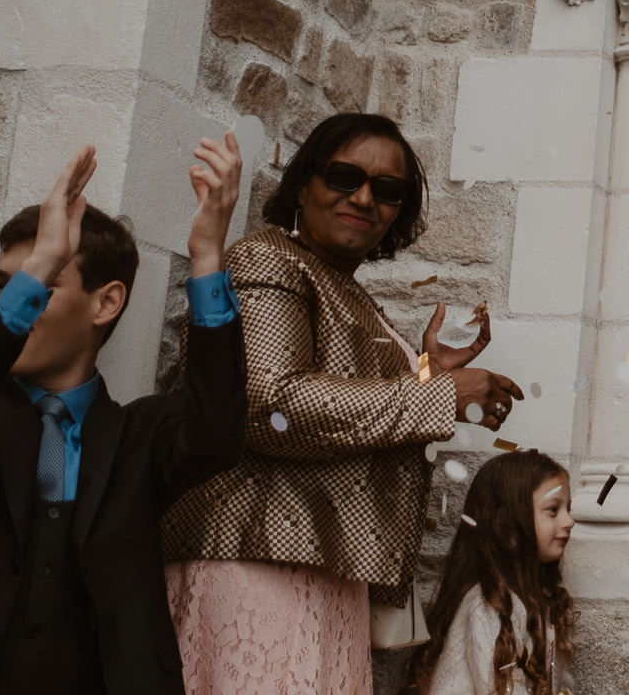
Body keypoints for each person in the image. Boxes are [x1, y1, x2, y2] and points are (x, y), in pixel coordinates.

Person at [162, 112, 526, 695]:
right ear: (304, 184)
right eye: (343, 176)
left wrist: (429, 368)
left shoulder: (343, 286)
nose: (363, 197)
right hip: (255, 558)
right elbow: (270, 405)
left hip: (320, 567)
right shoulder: (267, 260)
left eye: (387, 190)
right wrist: (435, 394)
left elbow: (354, 409)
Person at [0, 133, 247, 695]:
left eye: (39, 289)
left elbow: (218, 431)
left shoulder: (140, 437)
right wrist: (43, 263)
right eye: (3, 287)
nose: (9, 303)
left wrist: (206, 258)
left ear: (106, 303)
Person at [405, 450, 578, 695]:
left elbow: (555, 680)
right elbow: (497, 689)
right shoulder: (488, 605)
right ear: (508, 523)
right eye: (553, 510)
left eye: (568, 509)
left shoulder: (540, 601)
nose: (569, 521)